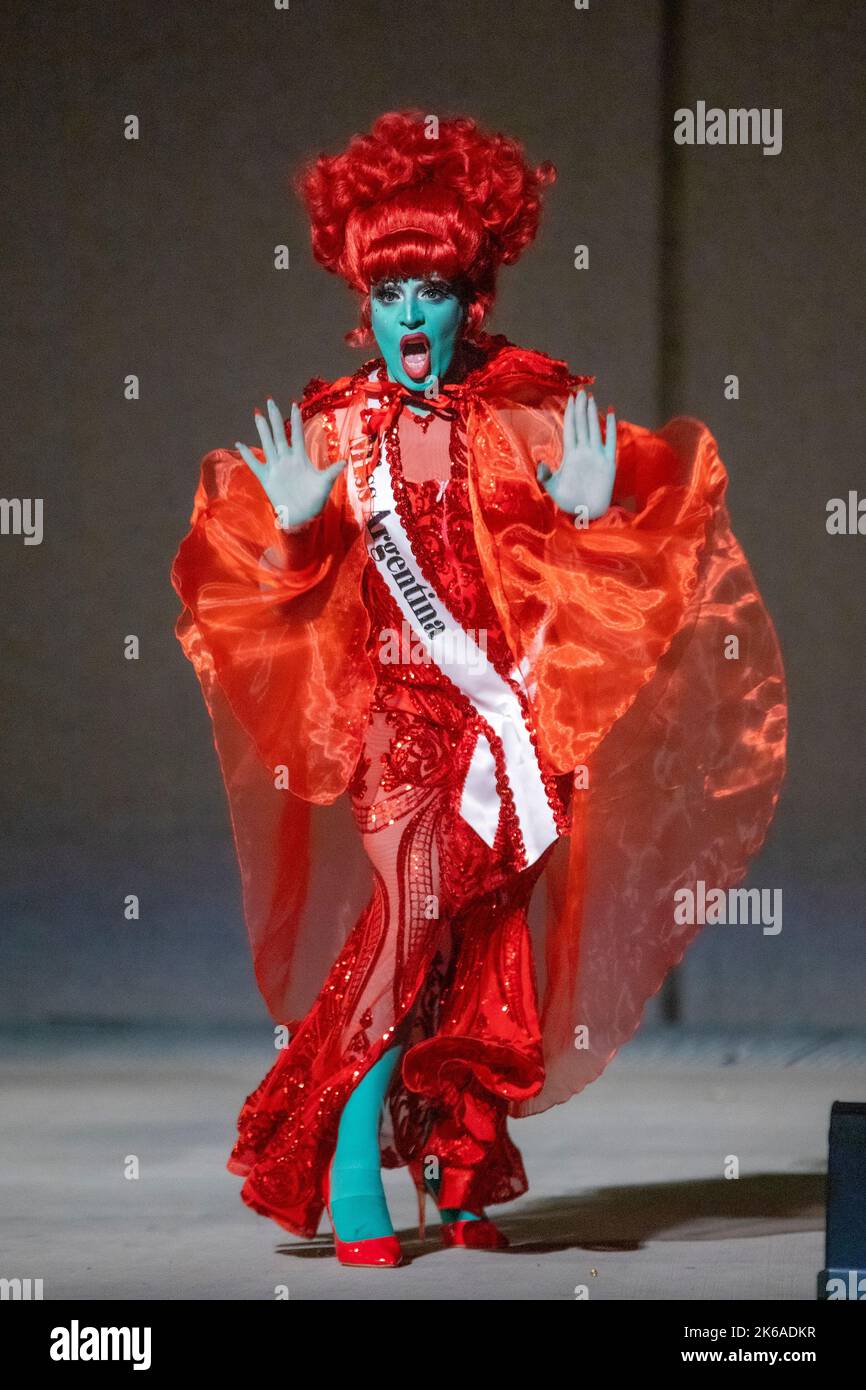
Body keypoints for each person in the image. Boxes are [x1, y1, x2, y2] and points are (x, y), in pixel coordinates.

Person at [171, 110, 787, 1268]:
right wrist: (298, 539)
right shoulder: (333, 428)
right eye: (392, 285)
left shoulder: (525, 413)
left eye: (436, 285)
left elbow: (607, 580)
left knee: (488, 955)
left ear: (474, 296)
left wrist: (592, 511)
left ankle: (458, 1176)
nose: (413, 312)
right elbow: (256, 603)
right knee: (405, 941)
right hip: (401, 727)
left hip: (507, 732)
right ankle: (346, 1157)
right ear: (361, 295)